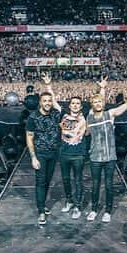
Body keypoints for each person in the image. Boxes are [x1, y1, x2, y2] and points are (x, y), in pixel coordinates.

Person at [84, 76, 127, 222]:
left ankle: (108, 211)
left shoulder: (110, 114)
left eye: (100, 101)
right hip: (95, 157)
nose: (97, 103)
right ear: (92, 104)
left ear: (103, 103)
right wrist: (102, 88)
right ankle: (94, 210)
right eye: (95, 102)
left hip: (109, 157)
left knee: (109, 185)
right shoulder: (90, 116)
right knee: (96, 185)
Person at [42, 74, 88, 219]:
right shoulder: (63, 115)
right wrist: (48, 85)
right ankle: (69, 201)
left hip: (79, 154)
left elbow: (99, 103)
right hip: (64, 153)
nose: (75, 105)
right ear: (69, 106)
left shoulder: (85, 116)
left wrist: (102, 88)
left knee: (78, 180)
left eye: (77, 103)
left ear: (81, 106)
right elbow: (54, 101)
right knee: (66, 179)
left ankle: (78, 206)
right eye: (73, 103)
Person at [25, 88, 63, 225]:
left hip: (53, 153)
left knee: (47, 181)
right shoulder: (33, 117)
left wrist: (49, 87)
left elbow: (62, 110)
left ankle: (43, 204)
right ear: (40, 102)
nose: (47, 103)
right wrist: (33, 157)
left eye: (49, 101)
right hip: (40, 153)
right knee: (40, 181)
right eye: (45, 101)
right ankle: (41, 211)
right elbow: (29, 138)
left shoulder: (55, 114)